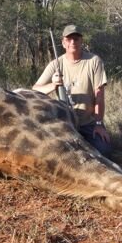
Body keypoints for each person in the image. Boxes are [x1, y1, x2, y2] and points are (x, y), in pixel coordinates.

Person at [33, 25, 112, 156]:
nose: (72, 42)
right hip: (65, 123)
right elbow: (35, 89)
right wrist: (53, 85)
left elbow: (99, 95)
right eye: (69, 39)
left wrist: (99, 124)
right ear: (63, 43)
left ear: (81, 41)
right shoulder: (55, 64)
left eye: (76, 39)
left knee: (104, 150)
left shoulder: (94, 61)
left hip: (88, 123)